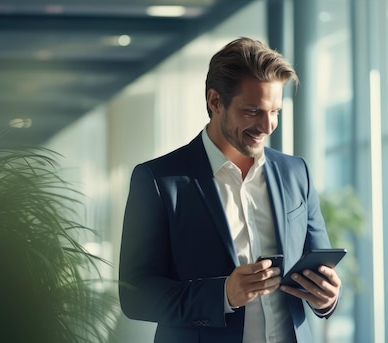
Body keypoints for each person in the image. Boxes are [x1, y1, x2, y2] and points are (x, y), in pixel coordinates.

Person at [118, 37, 341, 343]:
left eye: (275, 111)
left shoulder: (296, 173)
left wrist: (326, 298)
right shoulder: (158, 180)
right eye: (253, 111)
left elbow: (318, 270)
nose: (268, 126)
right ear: (215, 102)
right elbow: (135, 294)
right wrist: (223, 294)